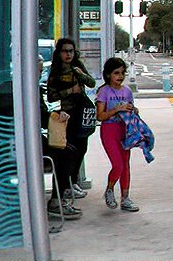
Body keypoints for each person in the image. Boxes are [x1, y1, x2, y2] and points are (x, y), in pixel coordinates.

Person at [44, 39, 96, 219]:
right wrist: (69, 91)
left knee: (82, 147)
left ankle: (73, 181)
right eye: (65, 51)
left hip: (81, 112)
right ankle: (64, 187)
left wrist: (81, 75)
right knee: (69, 149)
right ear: (59, 53)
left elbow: (91, 83)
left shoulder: (77, 67)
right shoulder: (56, 72)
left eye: (71, 51)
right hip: (66, 114)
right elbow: (51, 96)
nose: (68, 54)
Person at [95, 57, 140, 212]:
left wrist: (133, 110)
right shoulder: (104, 91)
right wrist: (116, 109)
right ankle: (109, 189)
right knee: (118, 165)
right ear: (108, 75)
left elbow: (131, 108)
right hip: (109, 131)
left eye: (122, 73)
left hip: (125, 131)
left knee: (126, 164)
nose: (120, 76)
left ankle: (125, 198)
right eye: (116, 73)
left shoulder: (127, 91)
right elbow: (100, 116)